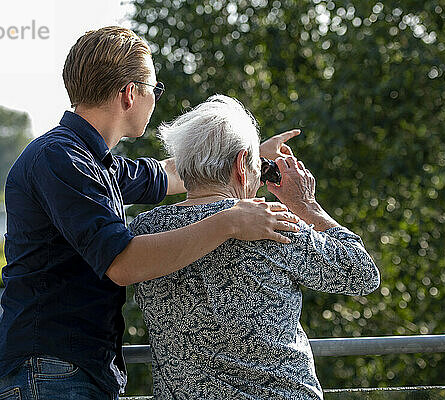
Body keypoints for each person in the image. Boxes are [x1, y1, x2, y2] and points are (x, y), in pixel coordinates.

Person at [0, 27, 302, 400]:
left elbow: (178, 172)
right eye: (155, 88)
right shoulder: (61, 159)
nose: (155, 98)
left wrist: (246, 156)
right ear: (130, 93)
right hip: (49, 370)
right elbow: (122, 263)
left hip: (72, 369)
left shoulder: (95, 163)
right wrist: (231, 221)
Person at [129, 95, 380, 400]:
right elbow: (362, 273)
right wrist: (305, 205)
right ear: (241, 166)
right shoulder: (267, 222)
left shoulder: (145, 230)